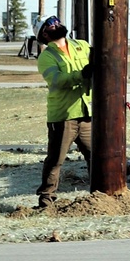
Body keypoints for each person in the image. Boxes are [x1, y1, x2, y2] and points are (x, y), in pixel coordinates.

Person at [35, 16, 93, 210]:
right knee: (56, 159)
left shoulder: (82, 46)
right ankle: (46, 200)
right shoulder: (46, 57)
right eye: (50, 24)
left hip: (85, 112)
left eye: (57, 21)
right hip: (63, 115)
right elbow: (57, 80)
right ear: (44, 34)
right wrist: (82, 74)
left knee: (95, 156)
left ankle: (99, 195)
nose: (55, 24)